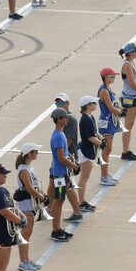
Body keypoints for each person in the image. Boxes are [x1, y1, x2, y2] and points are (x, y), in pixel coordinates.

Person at [13, 143, 46, 271]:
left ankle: (26, 259)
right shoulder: (23, 170)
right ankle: (23, 261)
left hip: (30, 203)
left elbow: (35, 186)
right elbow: (30, 188)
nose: (37, 153)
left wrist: (42, 195)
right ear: (29, 154)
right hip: (25, 204)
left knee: (28, 233)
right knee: (25, 233)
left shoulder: (28, 167)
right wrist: (41, 197)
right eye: (35, 151)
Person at [48, 107, 79, 241]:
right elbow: (61, 158)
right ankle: (55, 230)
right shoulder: (58, 136)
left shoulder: (59, 134)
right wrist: (74, 165)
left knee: (60, 200)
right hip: (60, 174)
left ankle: (58, 228)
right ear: (59, 119)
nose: (67, 119)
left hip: (62, 173)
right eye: (65, 117)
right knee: (58, 201)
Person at [54, 93, 85, 221]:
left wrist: (63, 157)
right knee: (54, 183)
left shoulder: (69, 119)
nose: (59, 105)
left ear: (68, 103)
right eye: (57, 103)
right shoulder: (61, 119)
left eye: (62, 103)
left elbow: (69, 140)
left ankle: (76, 212)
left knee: (65, 187)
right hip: (62, 160)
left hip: (67, 158)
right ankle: (49, 208)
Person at [119, 43, 136, 161]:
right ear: (130, 53)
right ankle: (125, 151)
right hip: (129, 96)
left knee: (130, 124)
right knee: (128, 125)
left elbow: (135, 81)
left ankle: (127, 150)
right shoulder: (127, 65)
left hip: (133, 95)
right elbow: (131, 82)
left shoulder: (131, 64)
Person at [97, 67, 122, 186]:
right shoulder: (104, 91)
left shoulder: (108, 89)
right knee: (107, 149)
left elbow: (114, 105)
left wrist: (121, 109)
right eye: (112, 76)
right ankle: (104, 176)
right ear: (106, 77)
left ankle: (106, 174)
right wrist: (121, 112)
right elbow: (110, 107)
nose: (114, 78)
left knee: (108, 149)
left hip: (109, 121)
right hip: (105, 121)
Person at [77, 95, 102, 211]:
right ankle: (81, 202)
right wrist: (100, 143)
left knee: (85, 177)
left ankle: (82, 201)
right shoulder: (85, 120)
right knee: (84, 178)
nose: (95, 105)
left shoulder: (90, 117)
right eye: (94, 103)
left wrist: (101, 139)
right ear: (88, 105)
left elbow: (95, 133)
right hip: (86, 151)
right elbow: (90, 137)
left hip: (89, 150)